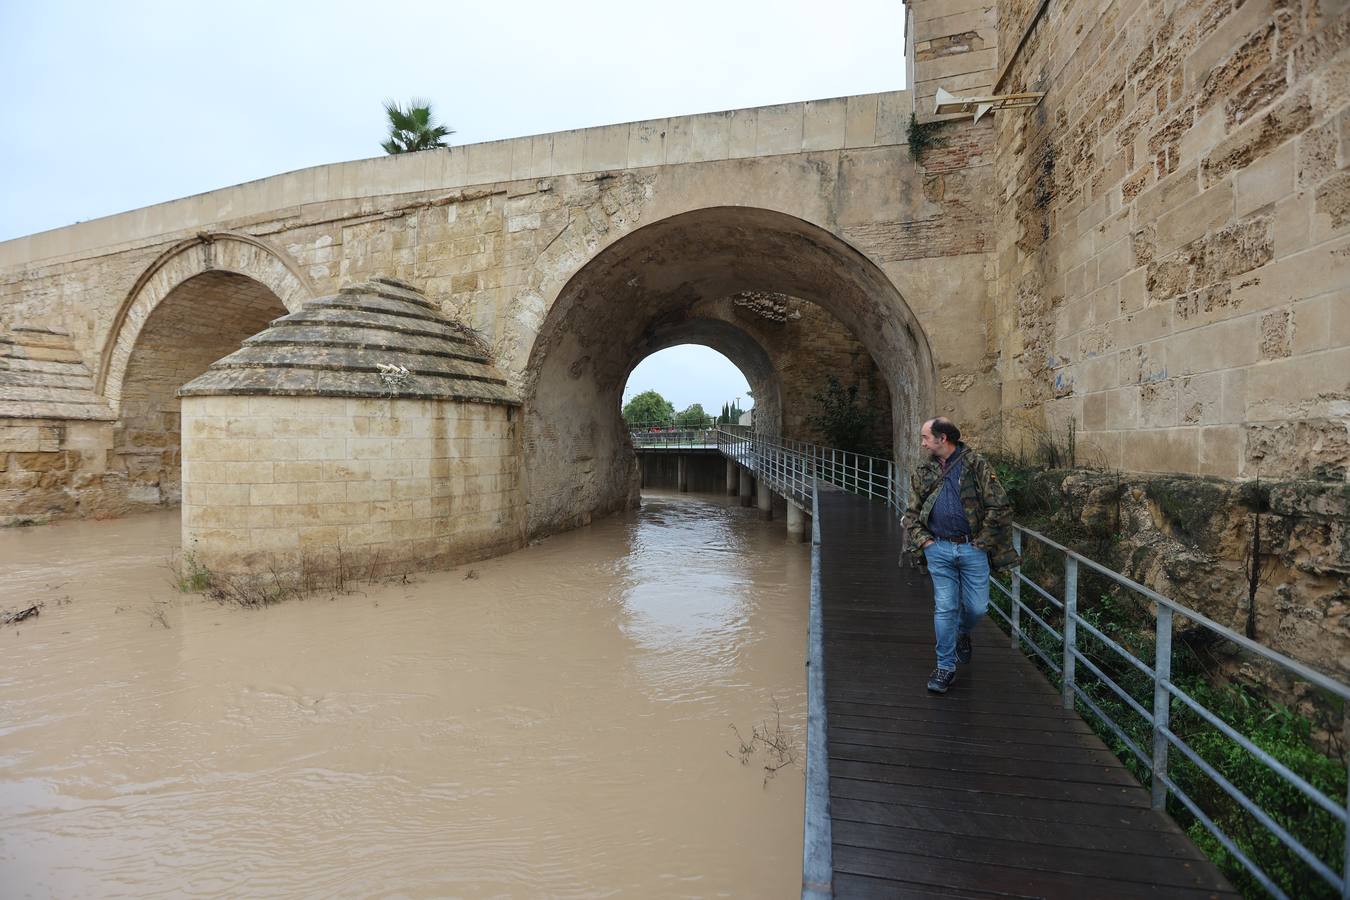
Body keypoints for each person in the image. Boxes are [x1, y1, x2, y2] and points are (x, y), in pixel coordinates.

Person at [905, 417, 1017, 694]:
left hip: (972, 548)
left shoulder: (976, 464)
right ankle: (945, 667)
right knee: (944, 607)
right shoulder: (922, 470)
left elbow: (1000, 506)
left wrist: (981, 542)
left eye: (925, 437)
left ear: (943, 439)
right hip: (939, 549)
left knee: (978, 608)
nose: (922, 443)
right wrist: (926, 542)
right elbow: (911, 514)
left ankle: (963, 633)